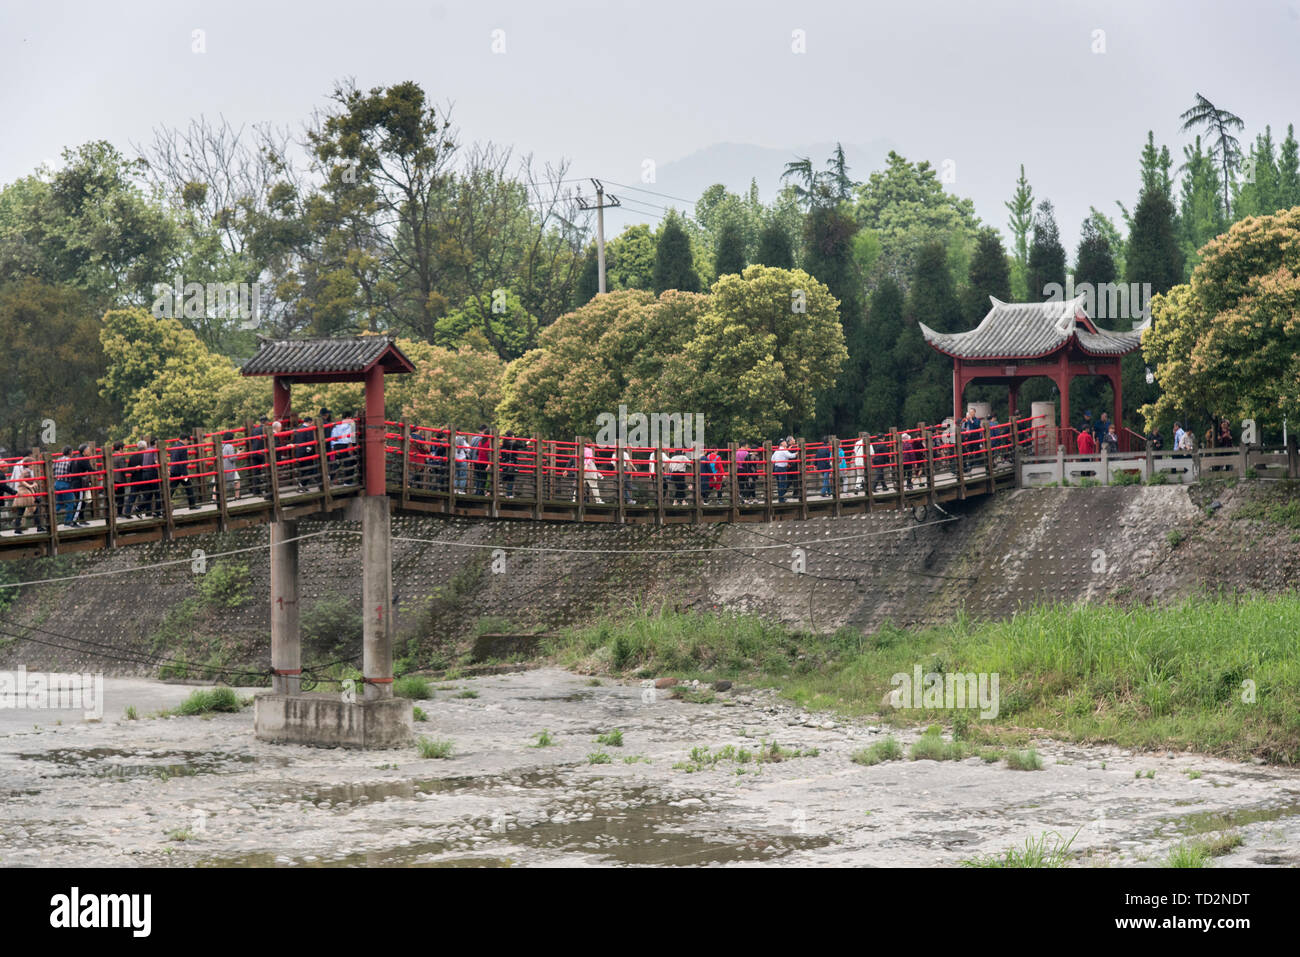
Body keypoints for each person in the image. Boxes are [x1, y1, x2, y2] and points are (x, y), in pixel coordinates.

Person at [169, 438, 198, 510]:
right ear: (185, 439)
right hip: (181, 473)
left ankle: (163, 505)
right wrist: (184, 474)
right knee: (189, 487)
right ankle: (192, 506)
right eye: (188, 441)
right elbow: (183, 462)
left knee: (171, 489)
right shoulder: (183, 448)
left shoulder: (173, 446)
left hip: (173, 471)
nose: (188, 443)